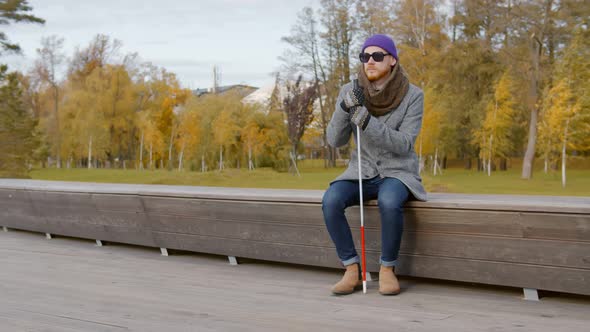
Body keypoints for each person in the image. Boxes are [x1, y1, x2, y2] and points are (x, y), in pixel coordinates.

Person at [322, 34, 427, 295]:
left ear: (392, 60)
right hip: (363, 171)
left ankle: (388, 269)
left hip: (397, 171)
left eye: (377, 56)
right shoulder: (350, 90)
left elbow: (404, 144)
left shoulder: (413, 95)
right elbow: (334, 140)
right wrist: (344, 109)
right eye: (365, 56)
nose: (370, 61)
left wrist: (368, 122)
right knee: (331, 200)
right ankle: (351, 269)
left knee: (390, 202)